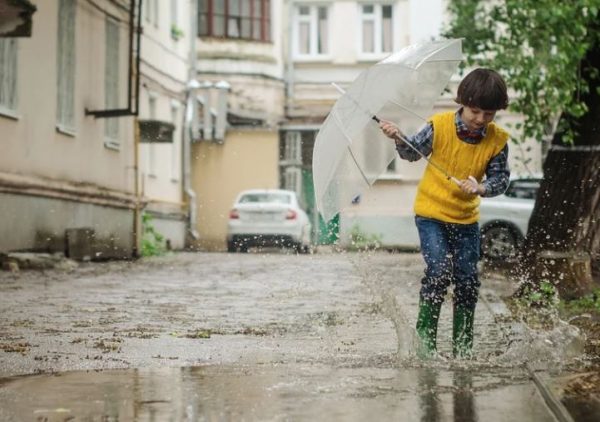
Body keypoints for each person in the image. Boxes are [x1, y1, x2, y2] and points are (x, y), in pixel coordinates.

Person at [379, 68, 510, 359]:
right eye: (475, 111)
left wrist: (483, 187)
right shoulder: (438, 126)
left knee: (467, 280)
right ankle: (425, 349)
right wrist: (398, 137)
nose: (480, 120)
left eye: (489, 114)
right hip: (431, 215)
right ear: (462, 102)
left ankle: (463, 350)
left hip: (466, 219)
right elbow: (411, 153)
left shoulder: (497, 140)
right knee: (438, 273)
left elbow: (501, 180)